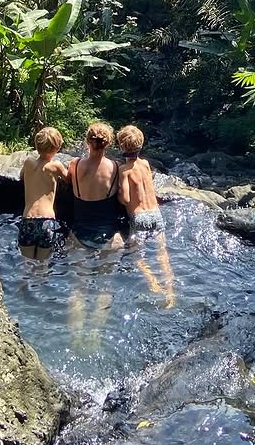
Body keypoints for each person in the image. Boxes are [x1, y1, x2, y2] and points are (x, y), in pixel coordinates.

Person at [117, 123, 175, 306]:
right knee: (162, 254)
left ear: (121, 146)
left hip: (138, 217)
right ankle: (171, 292)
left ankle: (153, 284)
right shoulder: (146, 164)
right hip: (156, 213)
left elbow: (125, 199)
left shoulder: (124, 170)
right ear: (141, 145)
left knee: (137, 256)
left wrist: (117, 193)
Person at [68, 120, 125, 249]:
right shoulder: (116, 167)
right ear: (108, 143)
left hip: (78, 235)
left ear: (88, 142)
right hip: (109, 235)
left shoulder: (74, 164)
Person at [18, 126, 66, 261]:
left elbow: (21, 176)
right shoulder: (56, 166)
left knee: (26, 266)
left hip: (28, 219)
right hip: (47, 221)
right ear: (57, 148)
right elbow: (69, 179)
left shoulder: (28, 162)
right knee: (42, 267)